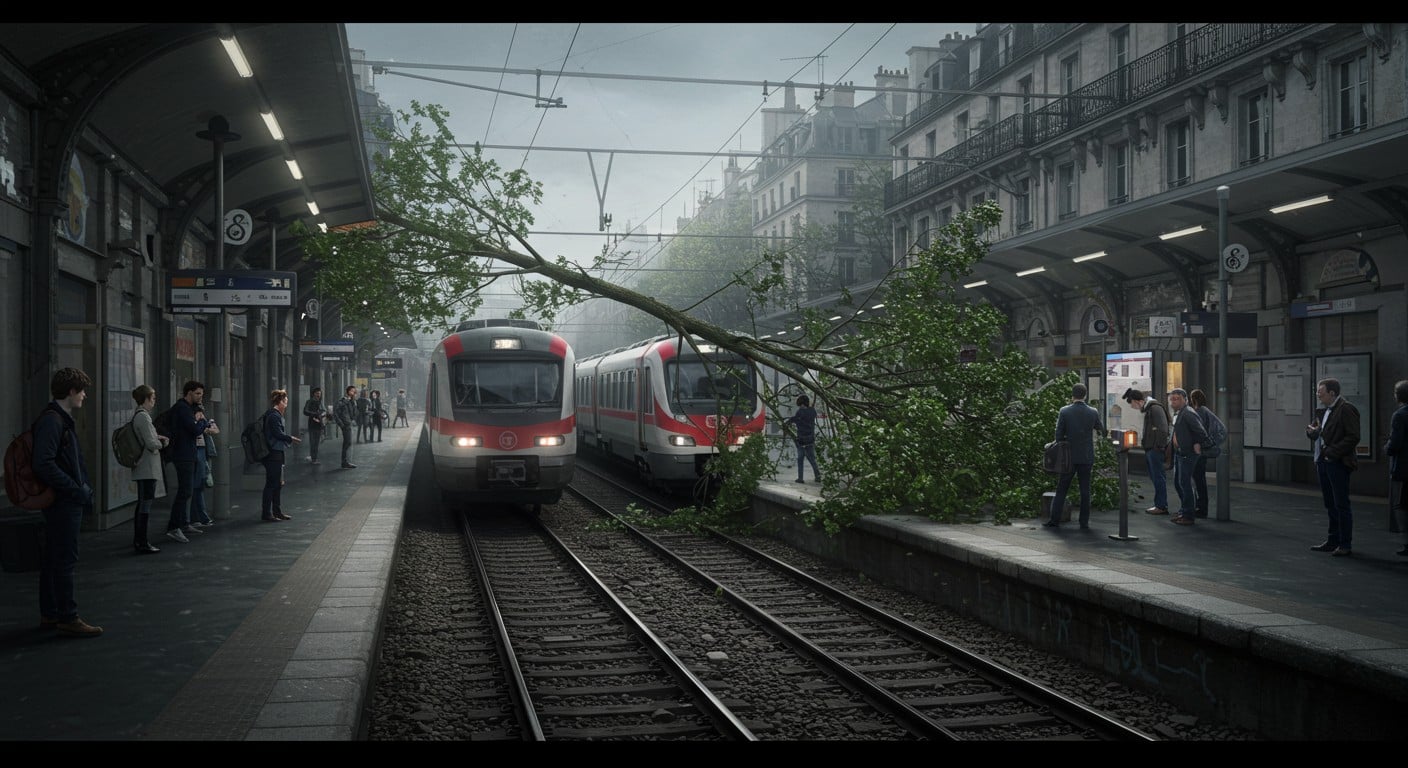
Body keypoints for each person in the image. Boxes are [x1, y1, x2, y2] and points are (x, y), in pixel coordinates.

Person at [31, 367, 102, 636]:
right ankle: (67, 616)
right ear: (71, 391)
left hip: (63, 499)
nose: (84, 395)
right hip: (64, 502)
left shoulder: (57, 419)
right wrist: (76, 489)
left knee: (53, 558)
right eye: (82, 390)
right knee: (64, 560)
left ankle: (50, 614)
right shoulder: (53, 421)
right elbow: (44, 463)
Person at [1307, 377, 1361, 556]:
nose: (1318, 397)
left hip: (1336, 462)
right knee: (1330, 503)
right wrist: (1313, 433)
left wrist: (1331, 452)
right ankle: (1333, 540)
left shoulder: (1346, 409)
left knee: (1341, 504)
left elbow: (1353, 437)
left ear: (1332, 393)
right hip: (1323, 461)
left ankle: (1345, 544)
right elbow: (1325, 433)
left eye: (1321, 394)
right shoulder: (1325, 411)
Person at [1043, 383, 1104, 529]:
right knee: (1085, 490)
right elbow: (1100, 428)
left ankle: (1054, 520)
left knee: (1062, 488)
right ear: (1085, 395)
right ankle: (1084, 523)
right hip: (1086, 456)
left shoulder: (1064, 411)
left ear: (1072, 395)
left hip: (1068, 457)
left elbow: (1058, 436)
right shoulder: (1093, 412)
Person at [165, 380, 214, 544]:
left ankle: (184, 524)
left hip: (188, 453)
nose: (201, 397)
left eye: (202, 394)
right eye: (198, 393)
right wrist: (201, 421)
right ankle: (173, 527)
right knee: (185, 491)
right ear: (189, 393)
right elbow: (195, 430)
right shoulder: (182, 409)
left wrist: (200, 421)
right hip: (183, 454)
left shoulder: (187, 409)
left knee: (188, 490)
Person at [130, 385, 169, 553]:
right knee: (145, 504)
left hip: (142, 465)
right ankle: (142, 541)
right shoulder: (143, 417)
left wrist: (156, 437)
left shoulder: (138, 416)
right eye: (152, 399)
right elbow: (151, 443)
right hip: (147, 466)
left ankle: (140, 540)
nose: (154, 402)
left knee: (143, 503)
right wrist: (163, 442)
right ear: (145, 399)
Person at [1122, 387, 1171, 516]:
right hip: (1152, 448)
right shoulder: (1152, 408)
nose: (1134, 408)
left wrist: (1157, 447)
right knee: (1156, 476)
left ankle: (1161, 505)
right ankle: (1160, 504)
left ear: (1137, 401)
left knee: (1158, 477)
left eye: (1132, 404)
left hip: (1154, 449)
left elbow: (1162, 429)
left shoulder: (1154, 408)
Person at [1166, 388, 1208, 526]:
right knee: (1179, 483)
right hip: (1180, 453)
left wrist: (1196, 443)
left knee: (1184, 483)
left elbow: (1201, 432)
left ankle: (1188, 514)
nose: (1173, 402)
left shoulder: (1188, 413)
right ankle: (1185, 510)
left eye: (1177, 399)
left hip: (1188, 453)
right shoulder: (1179, 413)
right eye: (1171, 399)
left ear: (1185, 399)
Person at [260, 389, 301, 522]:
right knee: (272, 484)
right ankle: (267, 513)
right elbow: (277, 434)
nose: (287, 405)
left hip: (276, 452)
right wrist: (291, 438)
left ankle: (276, 512)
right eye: (286, 402)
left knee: (277, 484)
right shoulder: (274, 416)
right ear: (280, 402)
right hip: (273, 453)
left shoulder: (274, 415)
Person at [1187, 389, 1222, 519]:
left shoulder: (1199, 412)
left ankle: (1201, 508)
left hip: (1198, 451)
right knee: (1199, 479)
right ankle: (1201, 507)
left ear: (1193, 399)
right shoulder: (1205, 411)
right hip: (1202, 450)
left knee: (1198, 480)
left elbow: (1198, 431)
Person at [1386, 379, 1408, 556]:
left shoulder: (1399, 416)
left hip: (1403, 468)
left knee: (1401, 505)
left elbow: (1394, 445)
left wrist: (1386, 448)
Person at [189, 403, 218, 527]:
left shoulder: (202, 422)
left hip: (202, 451)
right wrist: (203, 426)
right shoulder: (193, 424)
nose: (201, 416)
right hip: (196, 451)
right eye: (199, 413)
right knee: (197, 485)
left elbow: (215, 430)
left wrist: (205, 425)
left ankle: (197, 517)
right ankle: (199, 517)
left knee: (199, 485)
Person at [784, 394, 820, 483]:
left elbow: (795, 419)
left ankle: (800, 478)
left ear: (802, 404)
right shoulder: (812, 411)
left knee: (800, 459)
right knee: (812, 459)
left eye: (800, 404)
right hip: (810, 438)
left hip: (801, 439)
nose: (800, 406)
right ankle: (818, 476)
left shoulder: (800, 412)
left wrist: (788, 422)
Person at [334, 385, 358, 469]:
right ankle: (345, 462)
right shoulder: (342, 401)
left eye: (354, 391)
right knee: (347, 443)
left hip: (349, 424)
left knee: (348, 443)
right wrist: (341, 424)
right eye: (352, 391)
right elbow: (336, 414)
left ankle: (346, 462)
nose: (353, 393)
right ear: (347, 391)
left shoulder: (351, 402)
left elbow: (353, 415)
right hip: (345, 425)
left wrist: (354, 403)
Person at [303, 386, 326, 465]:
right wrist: (314, 413)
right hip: (312, 424)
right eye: (317, 393)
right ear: (313, 394)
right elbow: (305, 411)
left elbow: (324, 411)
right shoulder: (309, 401)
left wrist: (323, 414)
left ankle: (314, 458)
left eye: (319, 393)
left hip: (319, 424)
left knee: (316, 442)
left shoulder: (320, 402)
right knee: (313, 442)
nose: (318, 395)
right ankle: (313, 459)